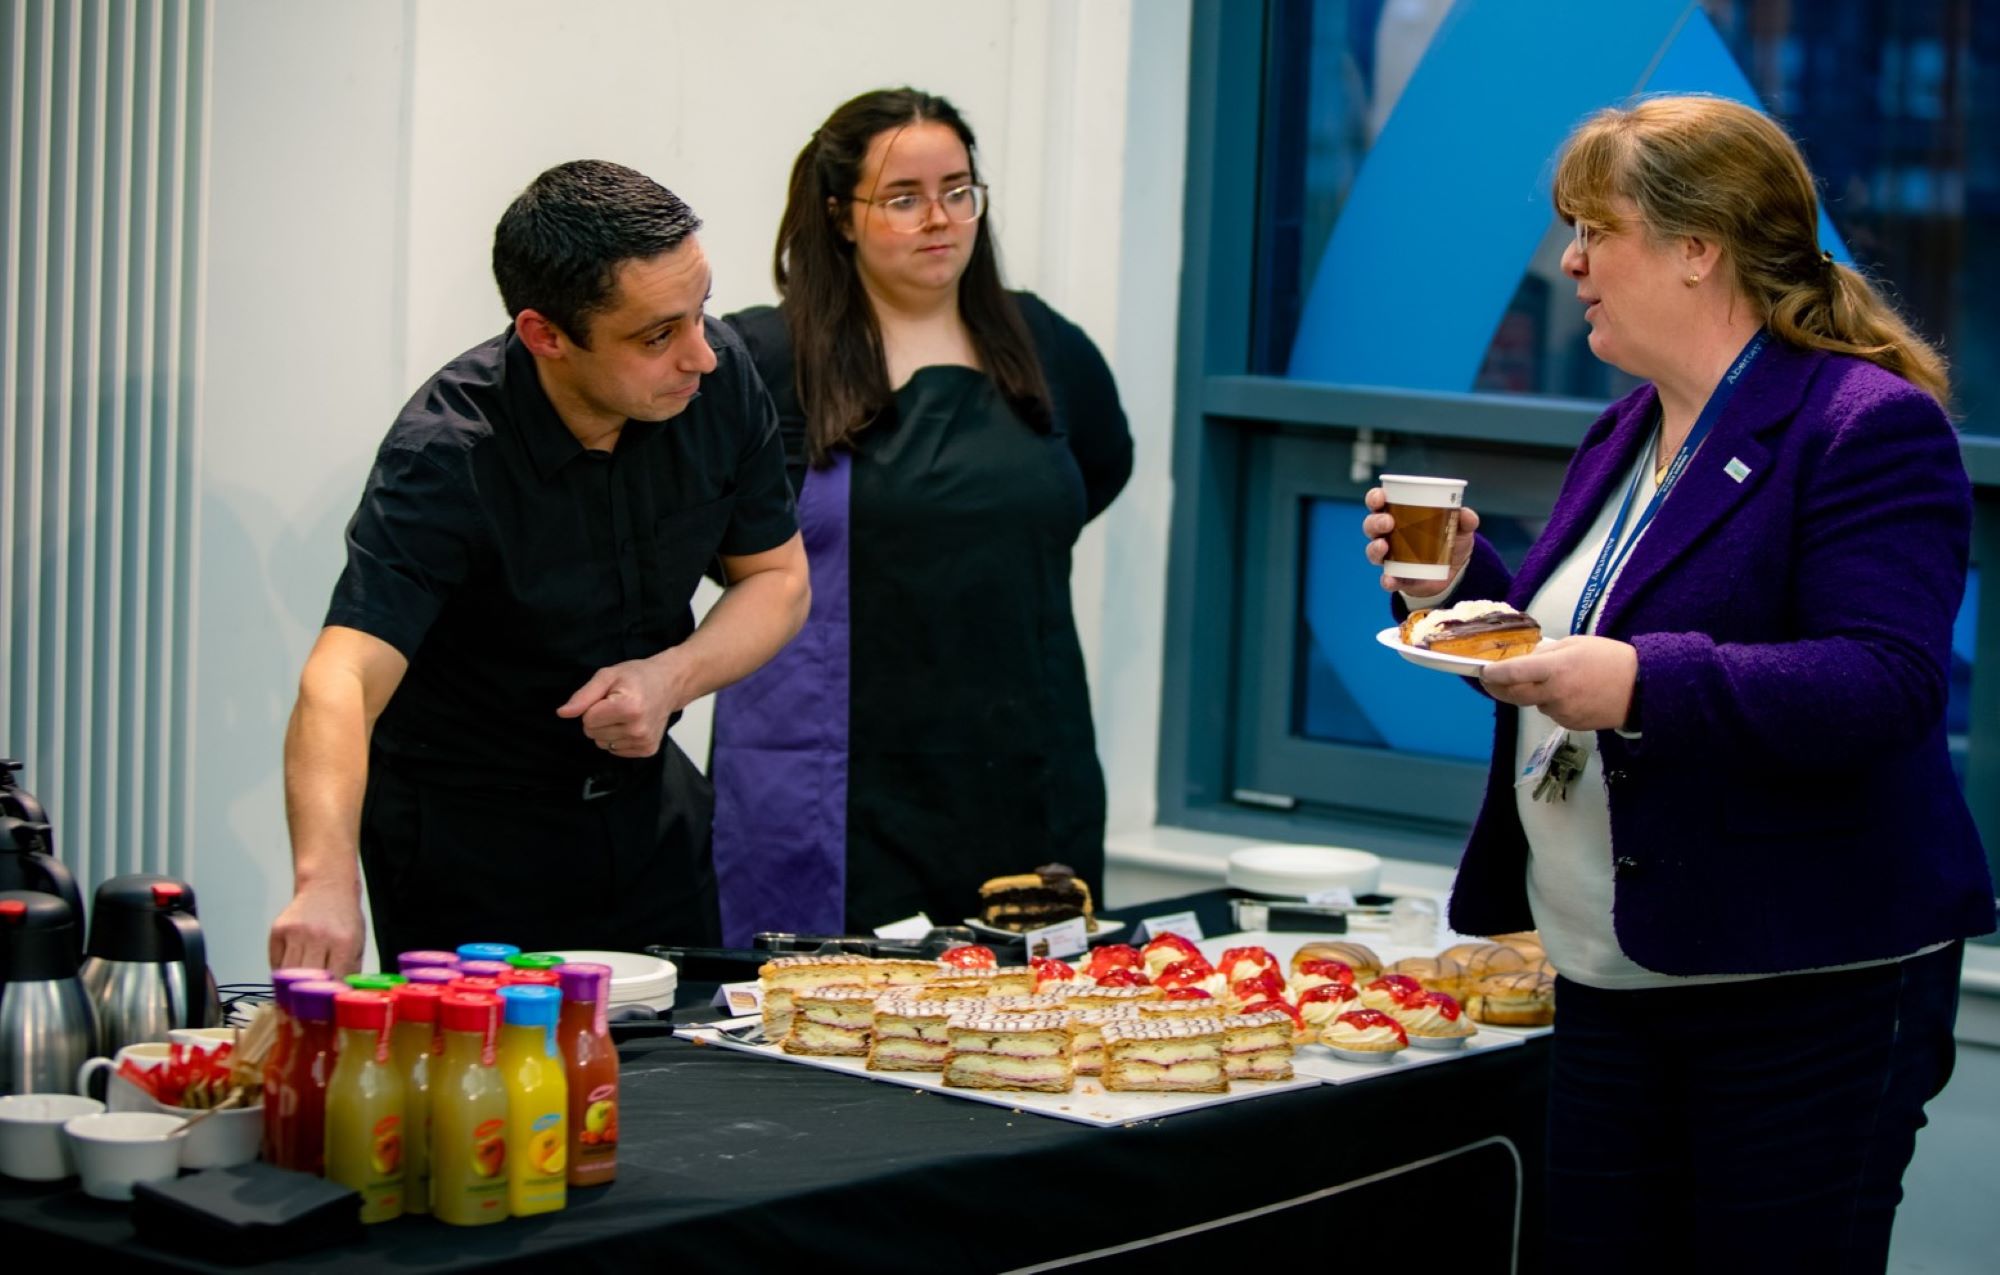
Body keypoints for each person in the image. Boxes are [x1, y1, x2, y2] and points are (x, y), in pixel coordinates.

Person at [1362, 95, 1995, 1271]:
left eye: (1594, 229)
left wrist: (1643, 682)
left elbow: (1884, 683)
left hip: (1797, 994)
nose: (1569, 261)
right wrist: (1461, 586)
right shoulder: (1628, 430)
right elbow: (1576, 646)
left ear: (1696, 249)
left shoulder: (1863, 426)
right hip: (1610, 975)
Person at [268, 161, 809, 973]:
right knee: (487, 1091)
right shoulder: (448, 455)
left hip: (646, 813)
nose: (701, 355)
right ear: (546, 336)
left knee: (693, 1078)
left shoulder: (716, 380)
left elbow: (777, 578)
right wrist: (323, 881)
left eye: (699, 313)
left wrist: (672, 677)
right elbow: (341, 678)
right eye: (658, 335)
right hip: (471, 840)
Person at [709, 88, 1133, 942]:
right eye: (903, 198)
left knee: (1029, 1031)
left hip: (1024, 767)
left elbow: (1096, 475)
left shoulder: (1043, 344)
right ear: (840, 216)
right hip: (834, 780)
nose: (939, 218)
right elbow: (711, 540)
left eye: (958, 190)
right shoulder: (767, 359)